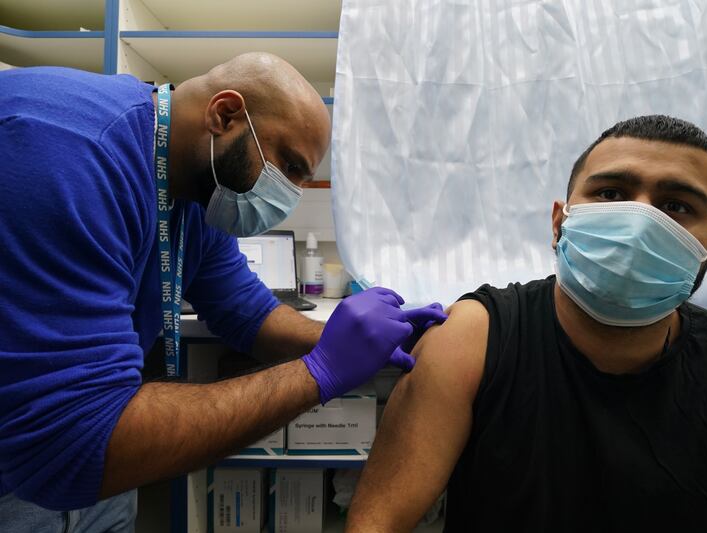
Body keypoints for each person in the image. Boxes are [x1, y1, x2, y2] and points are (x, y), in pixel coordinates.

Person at [0, 53, 446, 531]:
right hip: (26, 470)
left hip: (90, 473)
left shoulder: (191, 186)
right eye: (290, 167)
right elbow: (69, 446)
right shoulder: (70, 154)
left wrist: (346, 340)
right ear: (224, 115)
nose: (292, 194)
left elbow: (245, 312)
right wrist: (320, 372)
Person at [346, 115, 707, 532]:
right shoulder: (474, 340)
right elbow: (376, 525)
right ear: (559, 223)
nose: (640, 222)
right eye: (610, 194)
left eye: (677, 206)